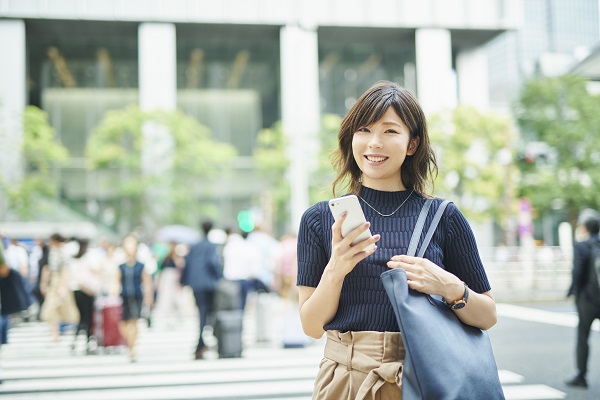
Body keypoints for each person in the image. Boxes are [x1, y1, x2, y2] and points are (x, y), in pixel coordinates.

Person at [297, 81, 497, 399]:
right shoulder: (319, 219)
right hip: (346, 379)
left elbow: (487, 315)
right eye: (364, 130)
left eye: (390, 131)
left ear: (412, 144)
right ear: (351, 138)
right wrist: (336, 268)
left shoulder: (443, 216)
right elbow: (310, 326)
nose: (374, 143)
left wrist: (448, 286)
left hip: (422, 377)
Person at [566, 210, 600, 389]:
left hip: (588, 299)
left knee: (583, 336)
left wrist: (572, 291)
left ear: (585, 228)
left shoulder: (582, 245)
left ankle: (581, 375)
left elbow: (577, 271)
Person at [181, 220, 222, 360]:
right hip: (209, 284)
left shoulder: (194, 246)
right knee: (206, 314)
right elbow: (213, 263)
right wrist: (220, 276)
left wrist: (184, 281)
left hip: (196, 284)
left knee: (202, 312)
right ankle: (200, 343)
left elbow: (187, 263)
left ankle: (201, 343)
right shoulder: (211, 246)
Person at [116, 234, 153, 362]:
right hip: (124, 296)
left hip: (137, 296)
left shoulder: (141, 266)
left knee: (134, 321)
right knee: (123, 324)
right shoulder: (121, 266)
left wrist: (149, 297)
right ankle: (130, 343)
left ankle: (132, 349)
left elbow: (147, 282)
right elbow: (116, 281)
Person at [39, 234, 80, 342]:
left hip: (60, 281)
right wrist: (44, 283)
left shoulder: (63, 252)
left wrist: (62, 286)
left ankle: (58, 332)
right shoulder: (51, 252)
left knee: (61, 307)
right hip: (53, 281)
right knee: (50, 309)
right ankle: (55, 333)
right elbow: (47, 268)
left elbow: (65, 270)